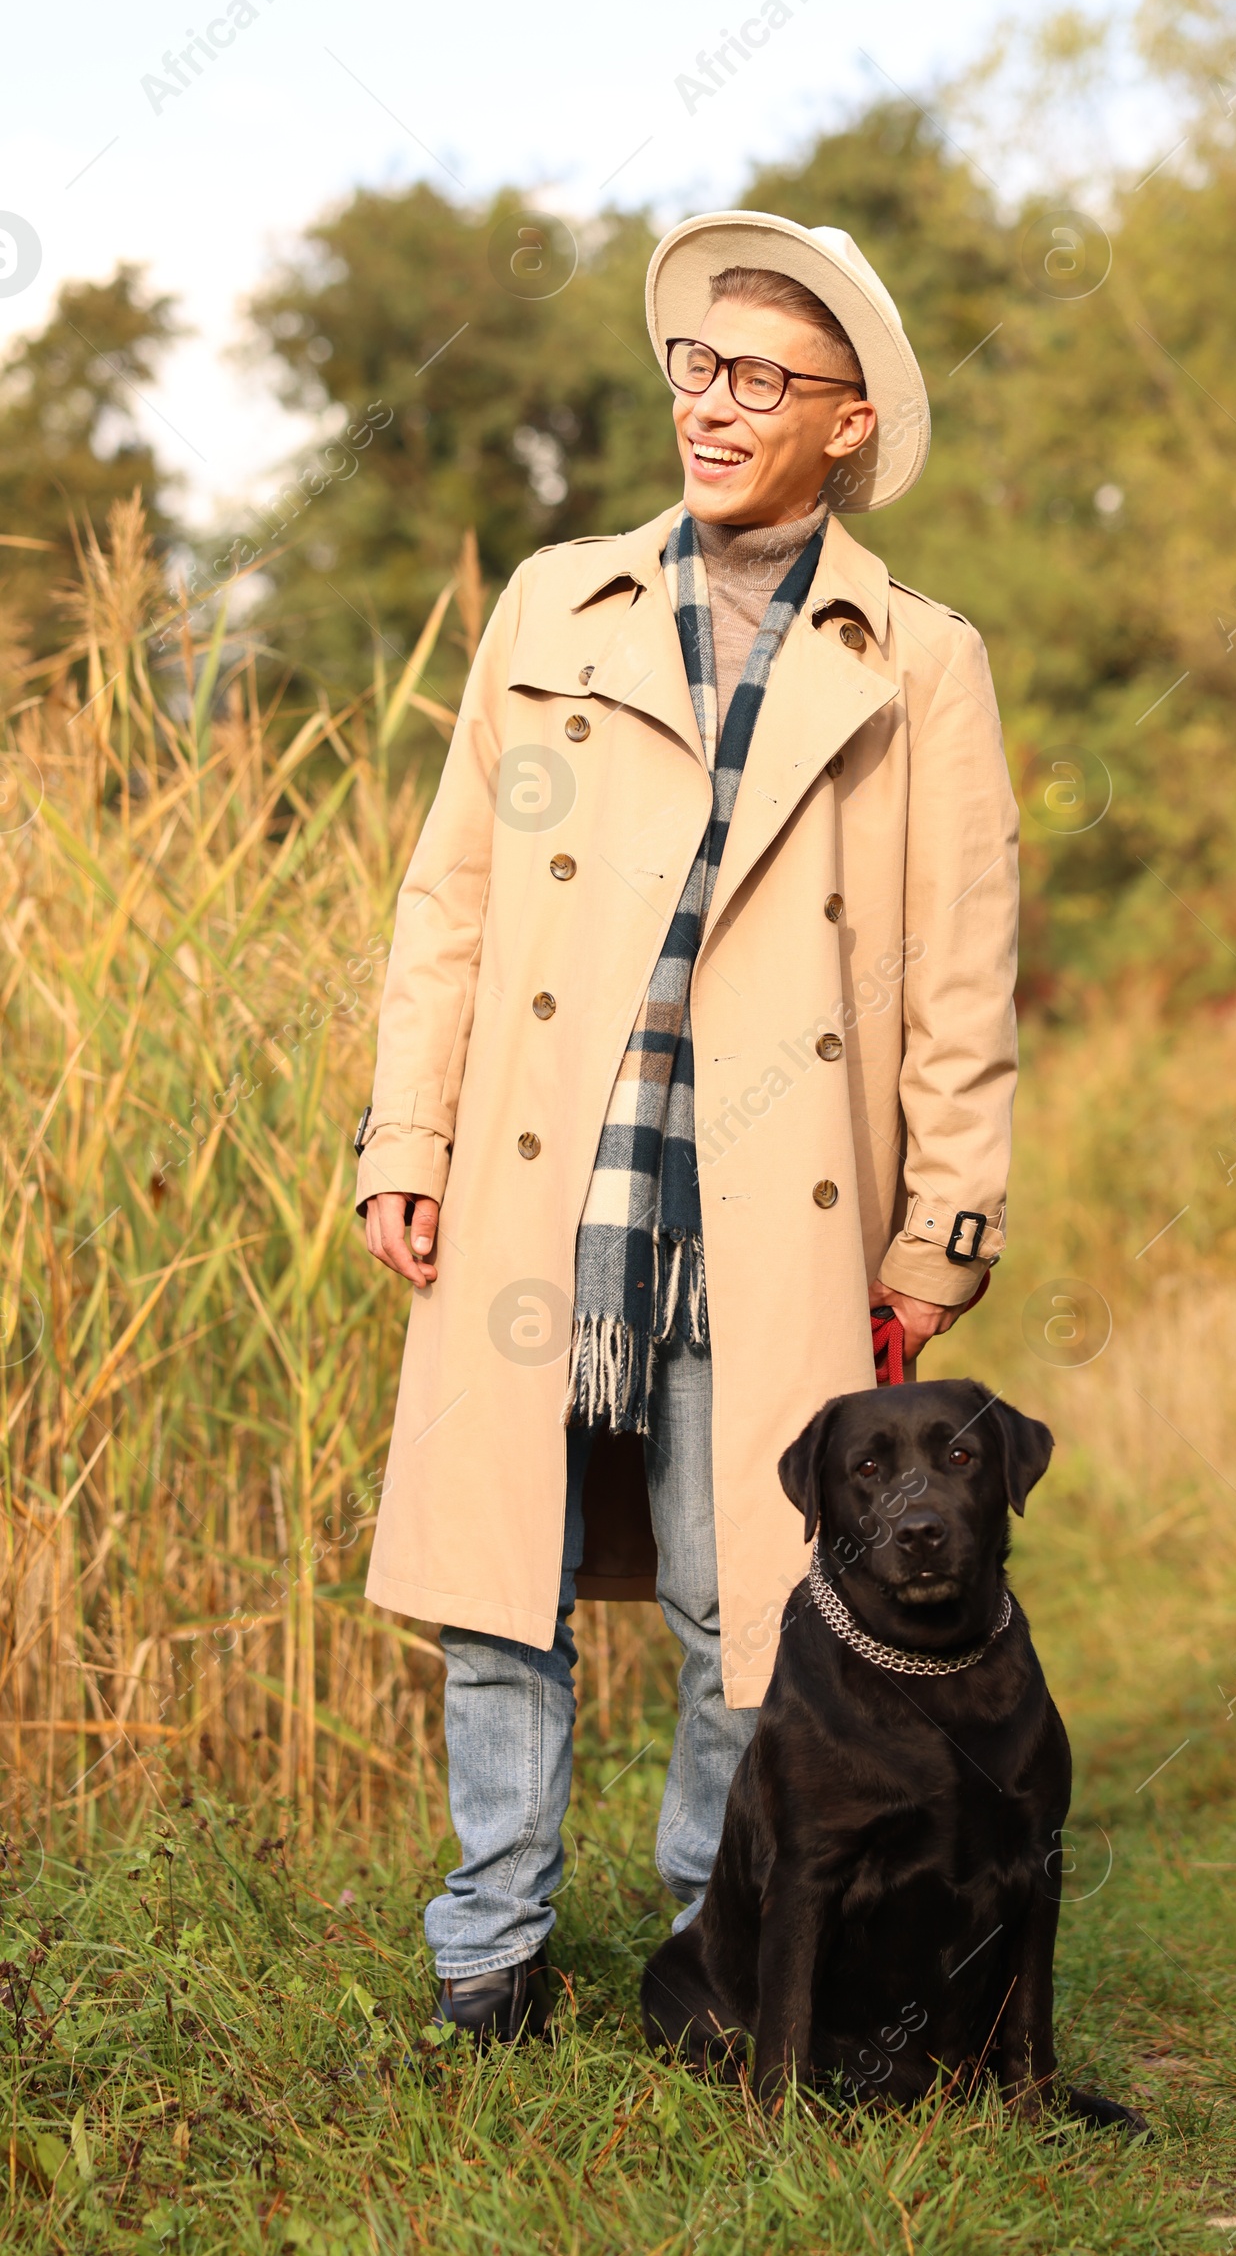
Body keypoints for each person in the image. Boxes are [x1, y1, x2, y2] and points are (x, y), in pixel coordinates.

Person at [355, 209, 1019, 2043]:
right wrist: (400, 1138)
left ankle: (710, 1958)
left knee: (746, 1613)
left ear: (850, 424)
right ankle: (486, 1962)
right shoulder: (552, 602)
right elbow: (450, 902)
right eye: (694, 369)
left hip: (771, 1206)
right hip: (543, 1182)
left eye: (759, 380)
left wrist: (941, 1227)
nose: (711, 408)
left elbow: (963, 974)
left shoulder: (921, 658)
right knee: (501, 1597)